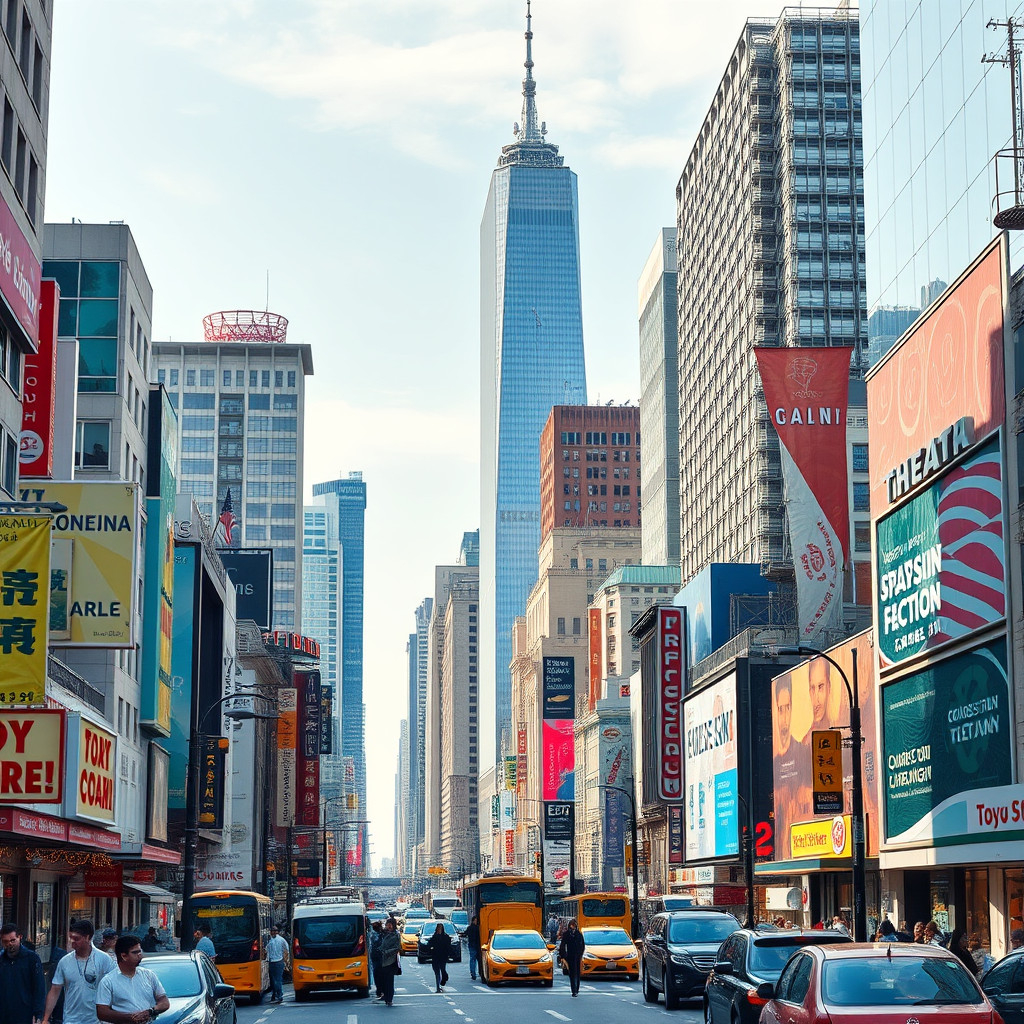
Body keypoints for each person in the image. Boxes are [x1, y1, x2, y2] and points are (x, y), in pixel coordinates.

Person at [42, 921, 115, 1024]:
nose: (72, 941)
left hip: (97, 1020)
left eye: (76, 938)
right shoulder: (64, 961)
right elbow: (55, 990)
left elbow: (114, 988)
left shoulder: (104, 959)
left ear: (87, 938)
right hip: (71, 1019)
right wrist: (45, 1018)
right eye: (71, 937)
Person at [95, 936, 169, 1024]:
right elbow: (102, 1013)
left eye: (140, 951)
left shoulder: (149, 975)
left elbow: (164, 1002)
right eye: (135, 952)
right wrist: (130, 1018)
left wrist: (150, 1011)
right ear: (124, 956)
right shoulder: (108, 981)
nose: (139, 955)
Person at [0, 923, 46, 1024]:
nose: (9, 944)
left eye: (12, 940)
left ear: (19, 937)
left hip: (25, 1014)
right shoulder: (1, 960)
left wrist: (38, 1014)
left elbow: (39, 988)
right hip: (4, 1014)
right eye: (6, 941)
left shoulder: (31, 959)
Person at [558, 918, 585, 998]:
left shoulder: (579, 934)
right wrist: (563, 955)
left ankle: (577, 988)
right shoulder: (566, 934)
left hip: (577, 956)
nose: (573, 927)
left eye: (574, 926)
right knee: (572, 973)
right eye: (572, 925)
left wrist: (580, 954)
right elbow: (562, 945)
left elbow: (582, 945)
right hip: (570, 955)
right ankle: (574, 990)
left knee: (577, 973)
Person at [378, 919, 401, 1008]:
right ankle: (385, 996)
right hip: (383, 960)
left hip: (391, 961)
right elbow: (381, 945)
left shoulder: (395, 935)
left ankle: (389, 999)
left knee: (389, 981)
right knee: (383, 980)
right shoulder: (384, 934)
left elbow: (397, 947)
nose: (389, 926)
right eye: (388, 924)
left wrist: (386, 952)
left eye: (390, 925)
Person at [266, 926, 288, 1004]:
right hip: (275, 962)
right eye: (272, 931)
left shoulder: (272, 941)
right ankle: (275, 995)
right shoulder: (279, 940)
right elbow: (286, 950)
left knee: (276, 980)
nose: (273, 932)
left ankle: (279, 995)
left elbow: (286, 950)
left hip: (276, 962)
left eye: (274, 931)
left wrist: (285, 961)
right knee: (275, 980)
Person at [426, 924, 451, 993]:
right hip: (435, 957)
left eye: (440, 929)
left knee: (443, 970)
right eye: (438, 929)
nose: (439, 930)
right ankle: (438, 987)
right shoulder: (434, 937)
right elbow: (429, 944)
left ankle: (444, 977)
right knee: (437, 972)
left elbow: (448, 947)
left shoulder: (446, 937)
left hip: (443, 957)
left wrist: (448, 955)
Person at [369, 922, 384, 1000]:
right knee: (380, 974)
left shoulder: (373, 934)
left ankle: (380, 991)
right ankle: (381, 991)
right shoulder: (380, 935)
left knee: (377, 974)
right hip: (379, 956)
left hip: (376, 956)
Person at [465, 915, 481, 982]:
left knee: (472, 959)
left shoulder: (469, 928)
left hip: (471, 945)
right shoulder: (478, 928)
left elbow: (465, 934)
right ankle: (479, 972)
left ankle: (473, 973)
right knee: (478, 960)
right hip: (477, 945)